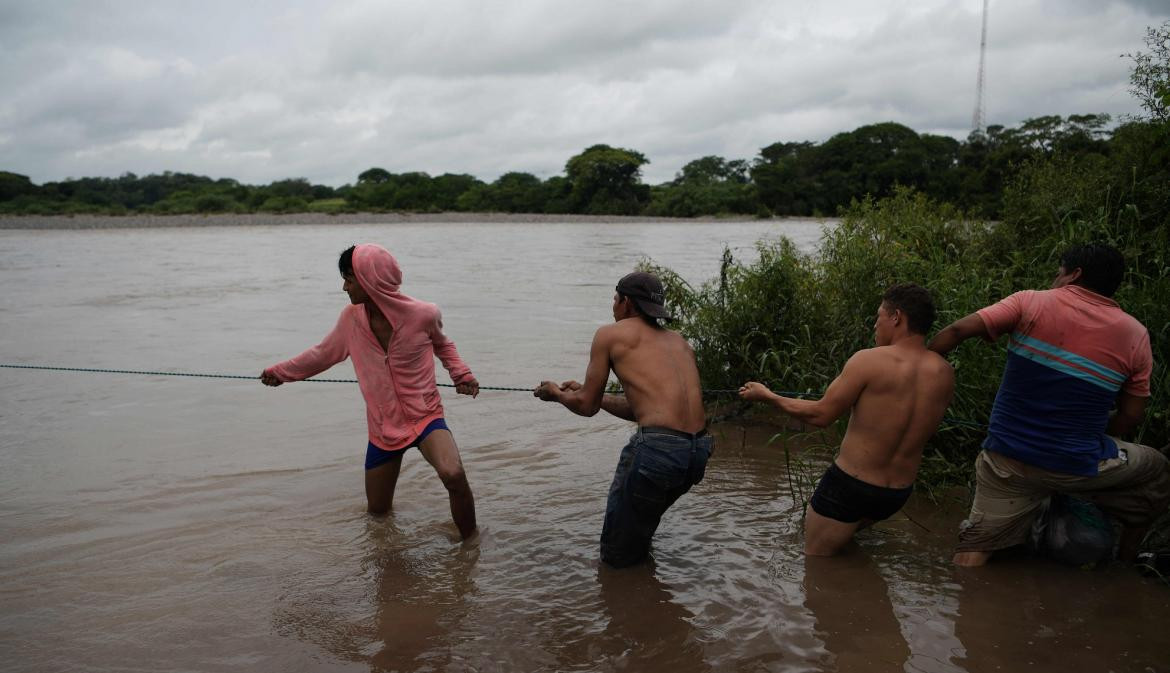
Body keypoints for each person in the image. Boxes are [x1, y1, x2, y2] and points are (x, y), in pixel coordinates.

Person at [929, 243, 1170, 566]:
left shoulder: (1030, 302)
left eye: (1059, 272)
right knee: (1157, 468)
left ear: (1075, 274)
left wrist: (924, 368)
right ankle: (1126, 563)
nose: (1055, 279)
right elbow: (1131, 415)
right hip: (1076, 465)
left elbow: (957, 330)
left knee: (973, 552)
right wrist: (1094, 434)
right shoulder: (1136, 335)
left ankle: (970, 586)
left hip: (1005, 461)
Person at [260, 244, 480, 539]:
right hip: (383, 427)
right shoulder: (351, 319)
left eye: (349, 279)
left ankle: (471, 547)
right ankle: (388, 562)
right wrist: (280, 373)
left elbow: (443, 345)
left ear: (370, 280)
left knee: (453, 475)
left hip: (426, 417)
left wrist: (461, 374)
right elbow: (322, 354)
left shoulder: (424, 314)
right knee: (377, 513)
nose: (344, 287)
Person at [739, 284, 954, 556]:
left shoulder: (868, 361)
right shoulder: (944, 373)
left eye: (879, 316)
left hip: (851, 486)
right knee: (846, 551)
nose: (876, 324)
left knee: (815, 566)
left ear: (897, 317)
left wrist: (768, 396)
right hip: (896, 494)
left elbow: (821, 415)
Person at [534, 271, 713, 568]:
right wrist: (596, 396)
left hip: (658, 452)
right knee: (639, 529)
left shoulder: (610, 334)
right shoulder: (680, 342)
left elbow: (586, 408)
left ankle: (625, 603)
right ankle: (645, 587)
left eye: (615, 298)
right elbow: (641, 411)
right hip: (696, 452)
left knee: (616, 552)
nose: (613, 305)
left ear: (627, 302)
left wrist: (555, 393)